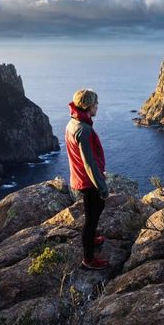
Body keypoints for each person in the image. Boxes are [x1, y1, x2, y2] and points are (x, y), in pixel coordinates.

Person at [65, 89, 109, 270]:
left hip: (80, 177)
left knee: (93, 211)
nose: (97, 106)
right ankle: (88, 259)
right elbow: (89, 163)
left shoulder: (73, 123)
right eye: (95, 104)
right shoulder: (84, 130)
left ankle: (92, 239)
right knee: (91, 218)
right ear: (88, 106)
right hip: (88, 181)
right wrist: (102, 187)